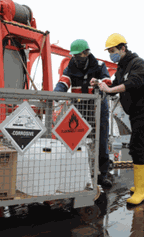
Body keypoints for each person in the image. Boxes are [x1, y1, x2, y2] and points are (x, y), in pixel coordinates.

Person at [95, 33, 144, 205]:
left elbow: (133, 83)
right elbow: (115, 87)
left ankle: (140, 191)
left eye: (113, 51)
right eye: (109, 51)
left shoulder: (138, 64)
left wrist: (109, 90)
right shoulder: (122, 67)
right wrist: (102, 86)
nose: (111, 54)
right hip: (135, 112)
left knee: (136, 146)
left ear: (123, 48)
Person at [54, 39, 113, 188]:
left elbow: (107, 82)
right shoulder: (71, 66)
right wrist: (56, 93)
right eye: (74, 55)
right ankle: (78, 173)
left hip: (98, 108)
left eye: (78, 55)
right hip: (79, 109)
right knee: (76, 140)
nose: (76, 58)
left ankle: (102, 175)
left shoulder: (99, 66)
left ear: (86, 53)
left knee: (101, 141)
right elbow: (64, 81)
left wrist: (98, 82)